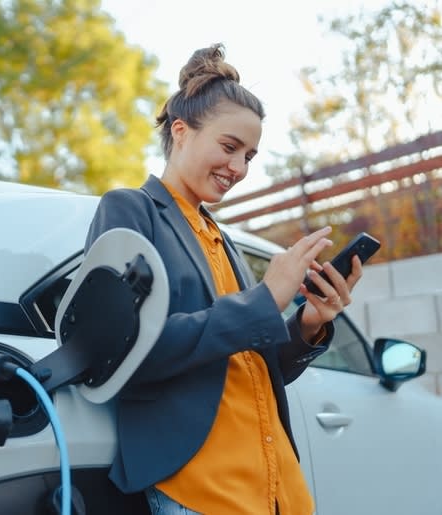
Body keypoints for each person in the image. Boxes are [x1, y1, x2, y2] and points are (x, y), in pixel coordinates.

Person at [84, 43, 364, 515]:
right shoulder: (130, 210)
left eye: (250, 155)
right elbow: (125, 350)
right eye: (229, 147)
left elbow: (250, 366)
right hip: (201, 487)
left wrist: (308, 325)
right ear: (181, 131)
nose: (239, 168)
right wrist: (266, 297)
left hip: (276, 486)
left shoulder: (221, 236)